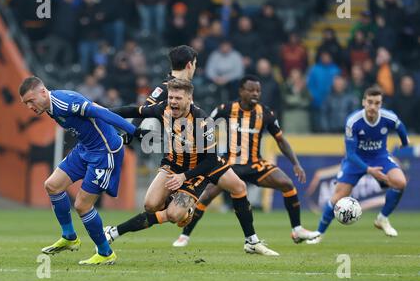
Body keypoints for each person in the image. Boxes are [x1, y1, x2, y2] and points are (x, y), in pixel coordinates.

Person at [107, 77, 280, 256]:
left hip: (199, 169)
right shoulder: (163, 108)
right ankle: (179, 206)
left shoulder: (202, 122)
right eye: (171, 97)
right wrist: (101, 111)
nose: (173, 102)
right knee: (150, 205)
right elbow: (135, 111)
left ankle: (249, 240)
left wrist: (184, 177)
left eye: (178, 98)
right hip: (173, 164)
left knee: (235, 189)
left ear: (189, 99)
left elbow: (211, 161)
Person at [172, 75, 320, 247]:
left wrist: (296, 163)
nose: (255, 93)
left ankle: (297, 229)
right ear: (241, 91)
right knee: (206, 197)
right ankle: (184, 236)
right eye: (251, 90)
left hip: (255, 164)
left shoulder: (265, 113)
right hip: (229, 165)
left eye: (258, 90)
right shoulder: (226, 108)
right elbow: (205, 126)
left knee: (287, 184)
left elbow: (280, 140)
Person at [18, 76, 147, 265]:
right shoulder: (49, 107)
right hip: (85, 148)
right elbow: (94, 108)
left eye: (31, 100)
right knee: (52, 186)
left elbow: (101, 112)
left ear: (43, 92)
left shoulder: (65, 102)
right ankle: (69, 236)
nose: (30, 106)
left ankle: (105, 253)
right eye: (26, 103)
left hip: (104, 151)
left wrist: (134, 131)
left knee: (82, 205)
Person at [308, 87, 410, 244]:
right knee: (338, 197)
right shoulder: (353, 122)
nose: (373, 107)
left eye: (377, 103)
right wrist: (369, 170)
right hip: (355, 160)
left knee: (400, 182)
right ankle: (318, 233)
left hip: (380, 157)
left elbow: (400, 127)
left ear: (381, 104)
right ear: (364, 102)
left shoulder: (389, 118)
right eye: (370, 102)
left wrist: (404, 142)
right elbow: (351, 154)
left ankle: (382, 219)